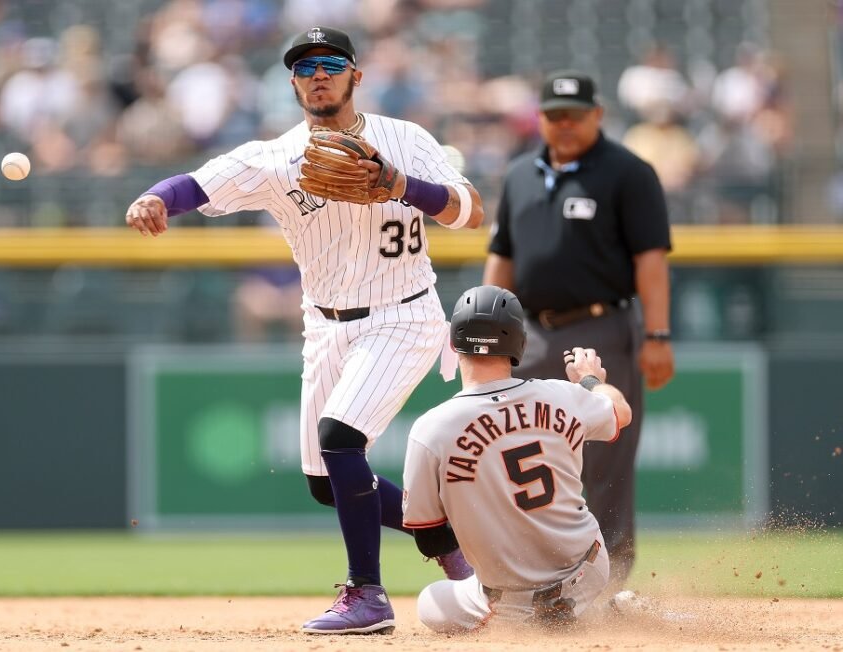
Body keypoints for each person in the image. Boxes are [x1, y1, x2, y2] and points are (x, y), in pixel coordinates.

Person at [124, 26, 485, 635]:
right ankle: (455, 546)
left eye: (330, 63)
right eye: (304, 66)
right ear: (292, 83)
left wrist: (401, 185)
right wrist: (155, 197)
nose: (318, 73)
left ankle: (368, 595)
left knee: (341, 437)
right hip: (325, 326)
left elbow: (472, 213)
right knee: (326, 482)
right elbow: (197, 184)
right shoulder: (274, 158)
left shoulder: (406, 138)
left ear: (355, 76)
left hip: (404, 314)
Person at [483, 70, 674, 588]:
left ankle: (609, 583)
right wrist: (483, 328)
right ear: (540, 118)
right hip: (529, 336)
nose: (564, 123)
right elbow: (501, 259)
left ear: (598, 115)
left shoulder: (628, 172)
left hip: (602, 329)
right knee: (519, 452)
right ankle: (526, 575)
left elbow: (650, 261)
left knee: (605, 457)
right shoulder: (520, 173)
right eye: (554, 114)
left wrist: (657, 336)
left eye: (575, 114)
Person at [402, 285, 633, 632]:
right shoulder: (562, 396)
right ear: (520, 346)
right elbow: (621, 412)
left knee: (430, 603)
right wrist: (590, 380)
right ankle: (593, 611)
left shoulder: (431, 429)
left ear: (452, 344)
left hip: (510, 602)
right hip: (590, 568)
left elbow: (429, 538)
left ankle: (549, 614)